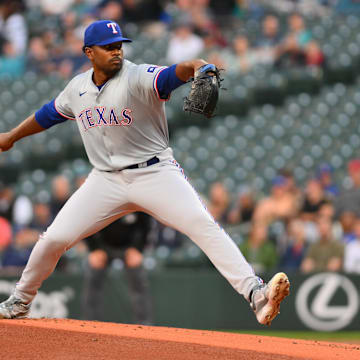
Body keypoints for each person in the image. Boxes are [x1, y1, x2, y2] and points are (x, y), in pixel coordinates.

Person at [0, 19, 289, 325]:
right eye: (108, 47)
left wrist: (196, 65)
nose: (116, 52)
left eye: (119, 46)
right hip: (105, 179)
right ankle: (20, 300)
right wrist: (10, 137)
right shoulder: (77, 89)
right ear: (88, 52)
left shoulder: (136, 75)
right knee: (54, 239)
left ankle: (256, 294)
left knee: (201, 224)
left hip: (155, 173)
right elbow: (48, 115)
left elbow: (169, 76)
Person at [82, 212, 153, 324]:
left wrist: (138, 249)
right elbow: (86, 220)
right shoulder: (102, 197)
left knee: (139, 283)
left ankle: (144, 325)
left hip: (129, 247)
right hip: (102, 245)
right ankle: (91, 324)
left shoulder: (136, 198)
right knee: (93, 278)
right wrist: (94, 248)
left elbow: (146, 226)